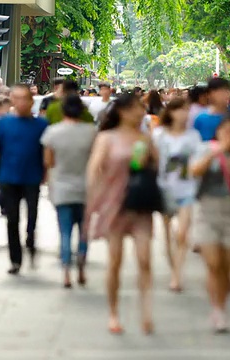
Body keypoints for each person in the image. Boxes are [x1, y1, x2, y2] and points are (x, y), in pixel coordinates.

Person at [85, 93, 156, 335]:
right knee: (115, 261)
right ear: (123, 111)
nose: (141, 112)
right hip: (113, 205)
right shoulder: (106, 138)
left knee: (145, 260)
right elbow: (94, 169)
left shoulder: (145, 138)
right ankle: (113, 313)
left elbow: (155, 168)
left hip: (139, 205)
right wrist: (93, 202)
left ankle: (145, 311)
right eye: (137, 108)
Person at [189, 111, 230, 333]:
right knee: (213, 264)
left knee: (227, 268)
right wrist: (213, 155)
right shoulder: (206, 149)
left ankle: (222, 304)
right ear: (218, 132)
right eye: (226, 131)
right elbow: (194, 171)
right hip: (207, 211)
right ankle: (217, 309)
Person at [0, 84, 49, 275]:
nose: (21, 102)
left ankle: (30, 239)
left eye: (25, 98)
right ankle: (15, 259)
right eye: (17, 98)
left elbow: (46, 151)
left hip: (32, 177)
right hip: (8, 177)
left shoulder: (41, 125)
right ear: (12, 100)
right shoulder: (4, 123)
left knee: (32, 215)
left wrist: (46, 173)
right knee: (12, 219)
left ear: (31, 101)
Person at [41, 94, 95, 288]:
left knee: (64, 231)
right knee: (83, 231)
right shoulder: (91, 132)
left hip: (62, 187)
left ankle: (65, 273)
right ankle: (81, 268)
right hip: (85, 187)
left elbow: (48, 161)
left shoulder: (52, 133)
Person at [153, 98, 201, 292]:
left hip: (187, 189)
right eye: (179, 110)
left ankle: (177, 275)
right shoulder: (159, 135)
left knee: (182, 234)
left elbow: (198, 161)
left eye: (186, 110)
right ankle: (173, 267)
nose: (183, 114)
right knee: (167, 236)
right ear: (170, 112)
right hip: (163, 188)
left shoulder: (193, 136)